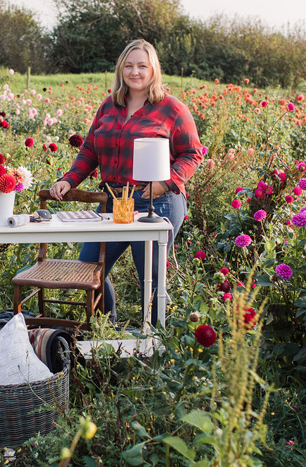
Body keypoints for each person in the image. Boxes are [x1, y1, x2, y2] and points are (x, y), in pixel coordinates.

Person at [50, 39, 203, 326]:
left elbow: (192, 153)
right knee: (90, 269)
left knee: (151, 275)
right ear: (121, 69)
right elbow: (90, 149)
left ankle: (155, 343)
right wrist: (69, 180)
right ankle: (106, 333)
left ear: (153, 69)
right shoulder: (109, 106)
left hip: (157, 202)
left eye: (142, 66)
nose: (135, 72)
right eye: (129, 66)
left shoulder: (172, 109)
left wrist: (165, 182)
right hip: (113, 202)